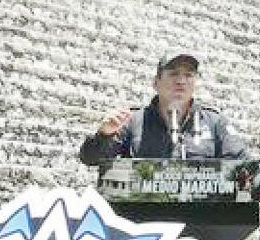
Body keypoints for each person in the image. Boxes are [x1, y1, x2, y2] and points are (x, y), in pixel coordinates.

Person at [78, 51, 249, 164]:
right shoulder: (132, 121)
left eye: (188, 75)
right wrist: (104, 135)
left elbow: (243, 163)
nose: (181, 81)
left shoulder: (215, 123)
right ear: (156, 83)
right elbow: (90, 159)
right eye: (173, 74)